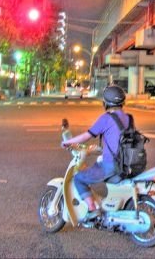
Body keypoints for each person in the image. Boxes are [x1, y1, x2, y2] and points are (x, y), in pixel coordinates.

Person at [60, 85, 132, 221]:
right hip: (126, 162)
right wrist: (101, 149)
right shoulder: (127, 118)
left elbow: (86, 136)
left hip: (112, 165)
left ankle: (92, 210)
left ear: (105, 103)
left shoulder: (106, 118)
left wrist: (68, 142)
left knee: (79, 178)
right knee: (97, 163)